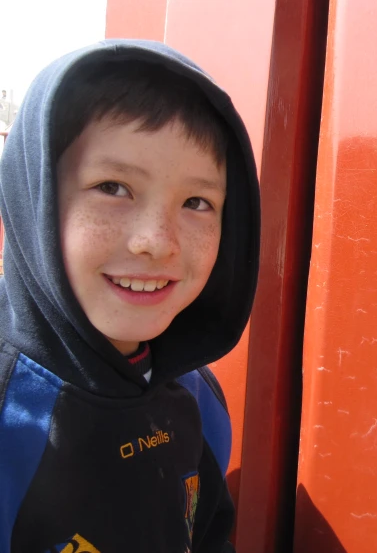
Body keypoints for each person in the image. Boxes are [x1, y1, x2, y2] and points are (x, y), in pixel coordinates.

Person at [0, 40, 260, 552]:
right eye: (113, 187)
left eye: (196, 201)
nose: (156, 241)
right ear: (35, 196)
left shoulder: (199, 399)